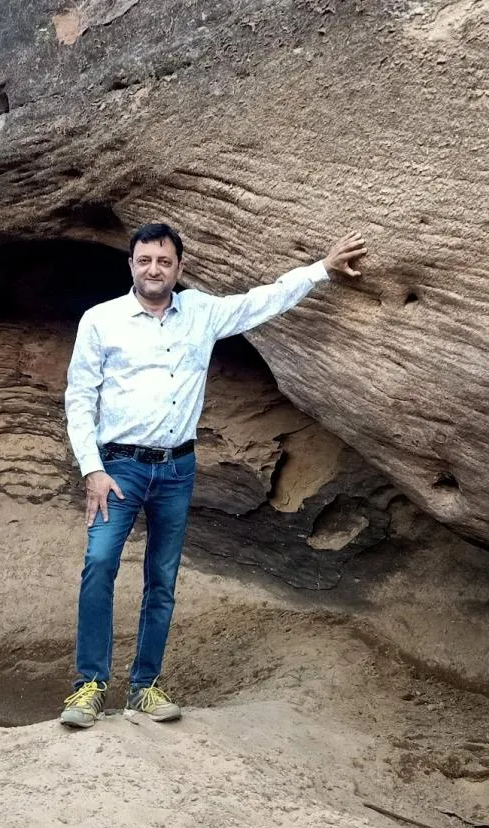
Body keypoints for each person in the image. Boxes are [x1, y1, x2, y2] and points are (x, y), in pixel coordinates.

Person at [60, 223, 368, 728]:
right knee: (99, 566)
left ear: (179, 267)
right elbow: (79, 398)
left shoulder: (200, 312)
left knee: (162, 578)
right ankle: (89, 686)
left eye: (163, 261)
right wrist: (91, 468)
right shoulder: (101, 321)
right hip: (118, 467)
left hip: (177, 468)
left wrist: (321, 271)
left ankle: (144, 687)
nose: (153, 270)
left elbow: (260, 302)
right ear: (131, 265)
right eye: (144, 261)